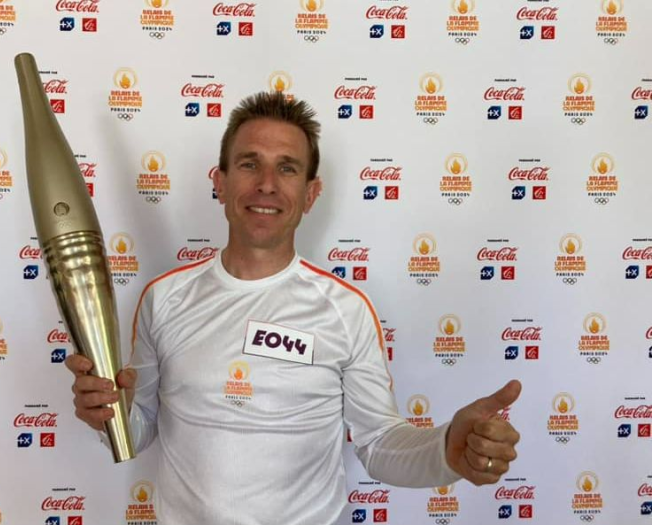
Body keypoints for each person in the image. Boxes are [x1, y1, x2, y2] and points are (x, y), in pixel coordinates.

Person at [66, 91, 521, 524]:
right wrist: (109, 414)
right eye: (249, 164)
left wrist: (445, 450)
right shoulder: (164, 299)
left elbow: (380, 442)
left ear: (310, 193)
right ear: (220, 182)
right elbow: (139, 427)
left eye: (286, 168)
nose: (266, 185)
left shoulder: (345, 310)